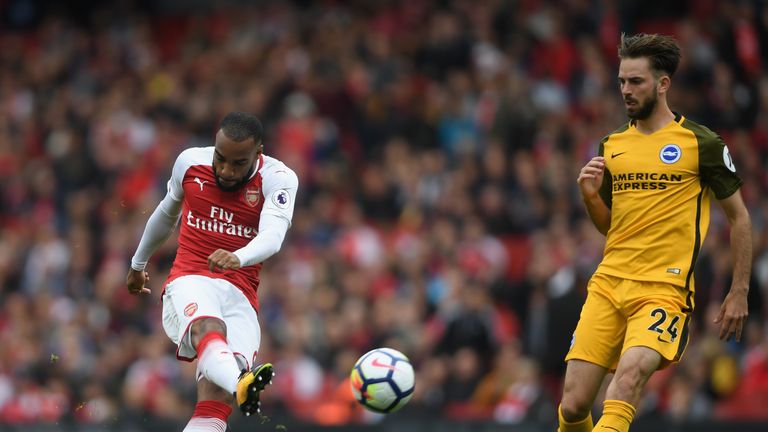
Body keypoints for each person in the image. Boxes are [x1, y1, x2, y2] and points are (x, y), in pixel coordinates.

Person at [558, 33, 752, 432]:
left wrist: (739, 290)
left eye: (636, 82)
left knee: (624, 382)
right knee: (574, 405)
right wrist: (591, 198)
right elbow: (610, 228)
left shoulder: (701, 143)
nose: (626, 91)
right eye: (622, 82)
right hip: (609, 284)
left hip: (664, 290)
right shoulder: (612, 145)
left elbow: (740, 218)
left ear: (663, 84)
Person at [126, 112, 299, 431]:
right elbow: (166, 214)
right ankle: (241, 382)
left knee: (215, 402)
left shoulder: (279, 178)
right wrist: (138, 264)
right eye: (221, 159)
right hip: (190, 279)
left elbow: (273, 236)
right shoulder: (190, 163)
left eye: (237, 163)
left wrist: (239, 256)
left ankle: (236, 383)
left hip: (241, 294)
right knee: (209, 329)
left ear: (257, 155)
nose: (225, 170)